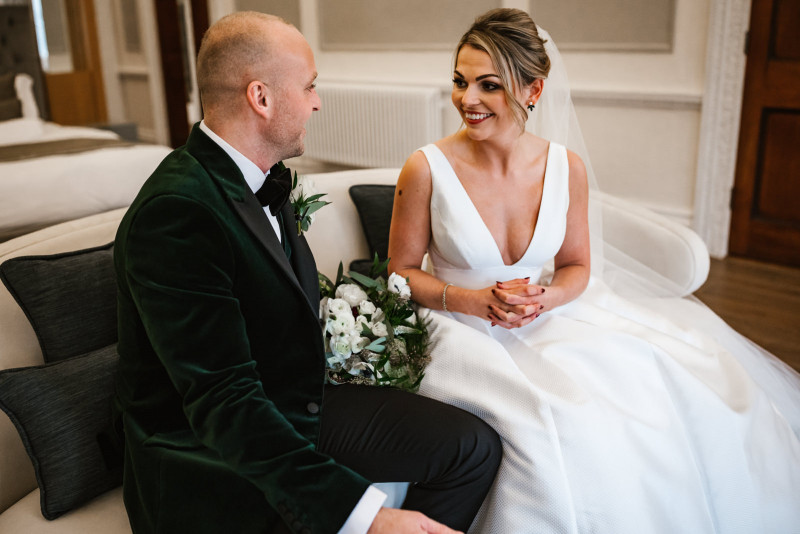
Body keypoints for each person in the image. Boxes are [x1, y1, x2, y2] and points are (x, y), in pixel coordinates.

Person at [388, 8, 800, 534]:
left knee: (662, 389)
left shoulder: (566, 168)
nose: (467, 100)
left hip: (545, 317)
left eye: (488, 85)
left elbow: (578, 266)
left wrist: (544, 299)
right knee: (553, 421)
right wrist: (472, 300)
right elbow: (399, 274)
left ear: (533, 90)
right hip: (459, 327)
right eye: (459, 81)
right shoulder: (425, 168)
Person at [113, 11, 502, 534]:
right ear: (261, 97)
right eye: (310, 86)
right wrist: (366, 520)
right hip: (208, 448)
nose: (317, 102)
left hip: (294, 400)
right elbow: (223, 401)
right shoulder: (177, 213)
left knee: (473, 448)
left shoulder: (261, 174)